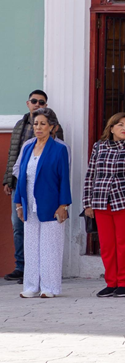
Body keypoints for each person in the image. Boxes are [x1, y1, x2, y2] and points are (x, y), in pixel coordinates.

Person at [83, 111, 125, 298]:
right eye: (120, 125)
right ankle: (111, 283)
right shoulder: (99, 147)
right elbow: (91, 175)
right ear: (111, 128)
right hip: (101, 202)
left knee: (124, 245)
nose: (124, 128)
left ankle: (124, 284)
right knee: (106, 246)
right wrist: (87, 203)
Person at [12, 107, 71, 298]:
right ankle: (31, 286)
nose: (38, 127)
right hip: (28, 201)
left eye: (43, 124)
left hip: (51, 203)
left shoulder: (60, 149)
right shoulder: (27, 147)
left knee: (50, 246)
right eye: (36, 123)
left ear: (52, 127)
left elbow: (64, 179)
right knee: (31, 246)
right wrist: (19, 203)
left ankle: (49, 287)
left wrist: (64, 205)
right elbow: (22, 177)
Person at [3, 89, 60, 282]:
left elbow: (57, 162)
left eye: (41, 102)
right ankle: (22, 267)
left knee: (40, 228)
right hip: (21, 185)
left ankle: (38, 270)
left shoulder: (53, 129)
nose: (37, 104)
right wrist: (8, 180)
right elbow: (13, 154)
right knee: (19, 225)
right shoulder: (20, 125)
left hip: (43, 187)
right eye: (34, 101)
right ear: (28, 103)